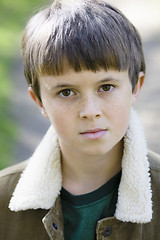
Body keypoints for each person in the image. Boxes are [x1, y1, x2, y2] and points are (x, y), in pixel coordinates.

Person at [0, 0, 160, 239]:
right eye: (66, 92)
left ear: (136, 86)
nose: (90, 110)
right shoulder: (5, 198)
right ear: (39, 101)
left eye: (106, 87)